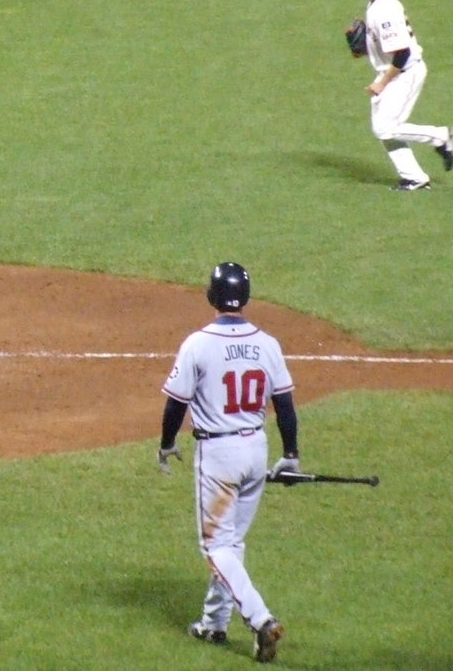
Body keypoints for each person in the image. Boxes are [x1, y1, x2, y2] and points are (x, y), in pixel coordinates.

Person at [157, 262, 296, 663]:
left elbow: (176, 403)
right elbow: (285, 404)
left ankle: (260, 619)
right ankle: (213, 624)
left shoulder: (198, 344)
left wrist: (166, 443)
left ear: (211, 296)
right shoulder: (267, 343)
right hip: (256, 449)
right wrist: (291, 455)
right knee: (231, 543)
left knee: (215, 546)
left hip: (218, 455)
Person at [349, 0, 453, 191]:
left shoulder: (385, 10)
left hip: (405, 72)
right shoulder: (377, 3)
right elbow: (388, 47)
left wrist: (382, 84)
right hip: (393, 71)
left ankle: (443, 137)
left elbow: (402, 53)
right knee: (383, 128)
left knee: (385, 127)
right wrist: (363, 49)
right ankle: (414, 178)